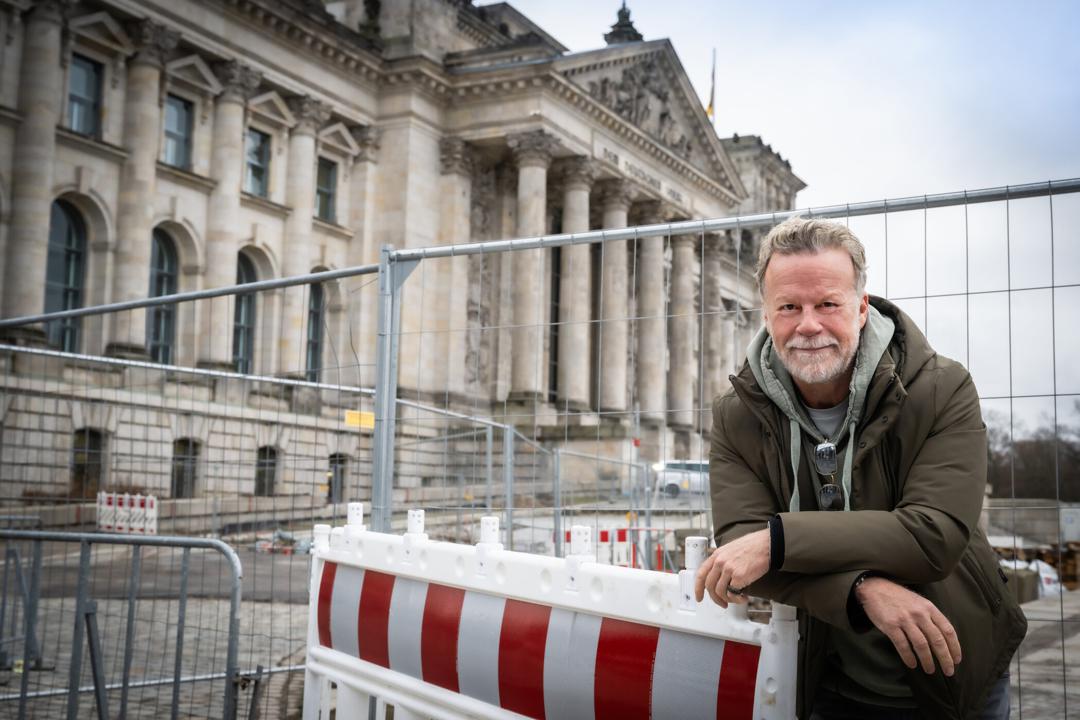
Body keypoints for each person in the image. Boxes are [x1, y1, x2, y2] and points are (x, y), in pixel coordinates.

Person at [694, 218, 1026, 719]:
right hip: (828, 674)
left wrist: (777, 542)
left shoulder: (942, 388)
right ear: (766, 314)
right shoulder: (736, 412)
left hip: (956, 666)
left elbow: (932, 535)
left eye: (828, 304)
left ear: (861, 308)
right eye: (789, 307)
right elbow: (741, 546)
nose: (809, 325)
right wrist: (861, 590)